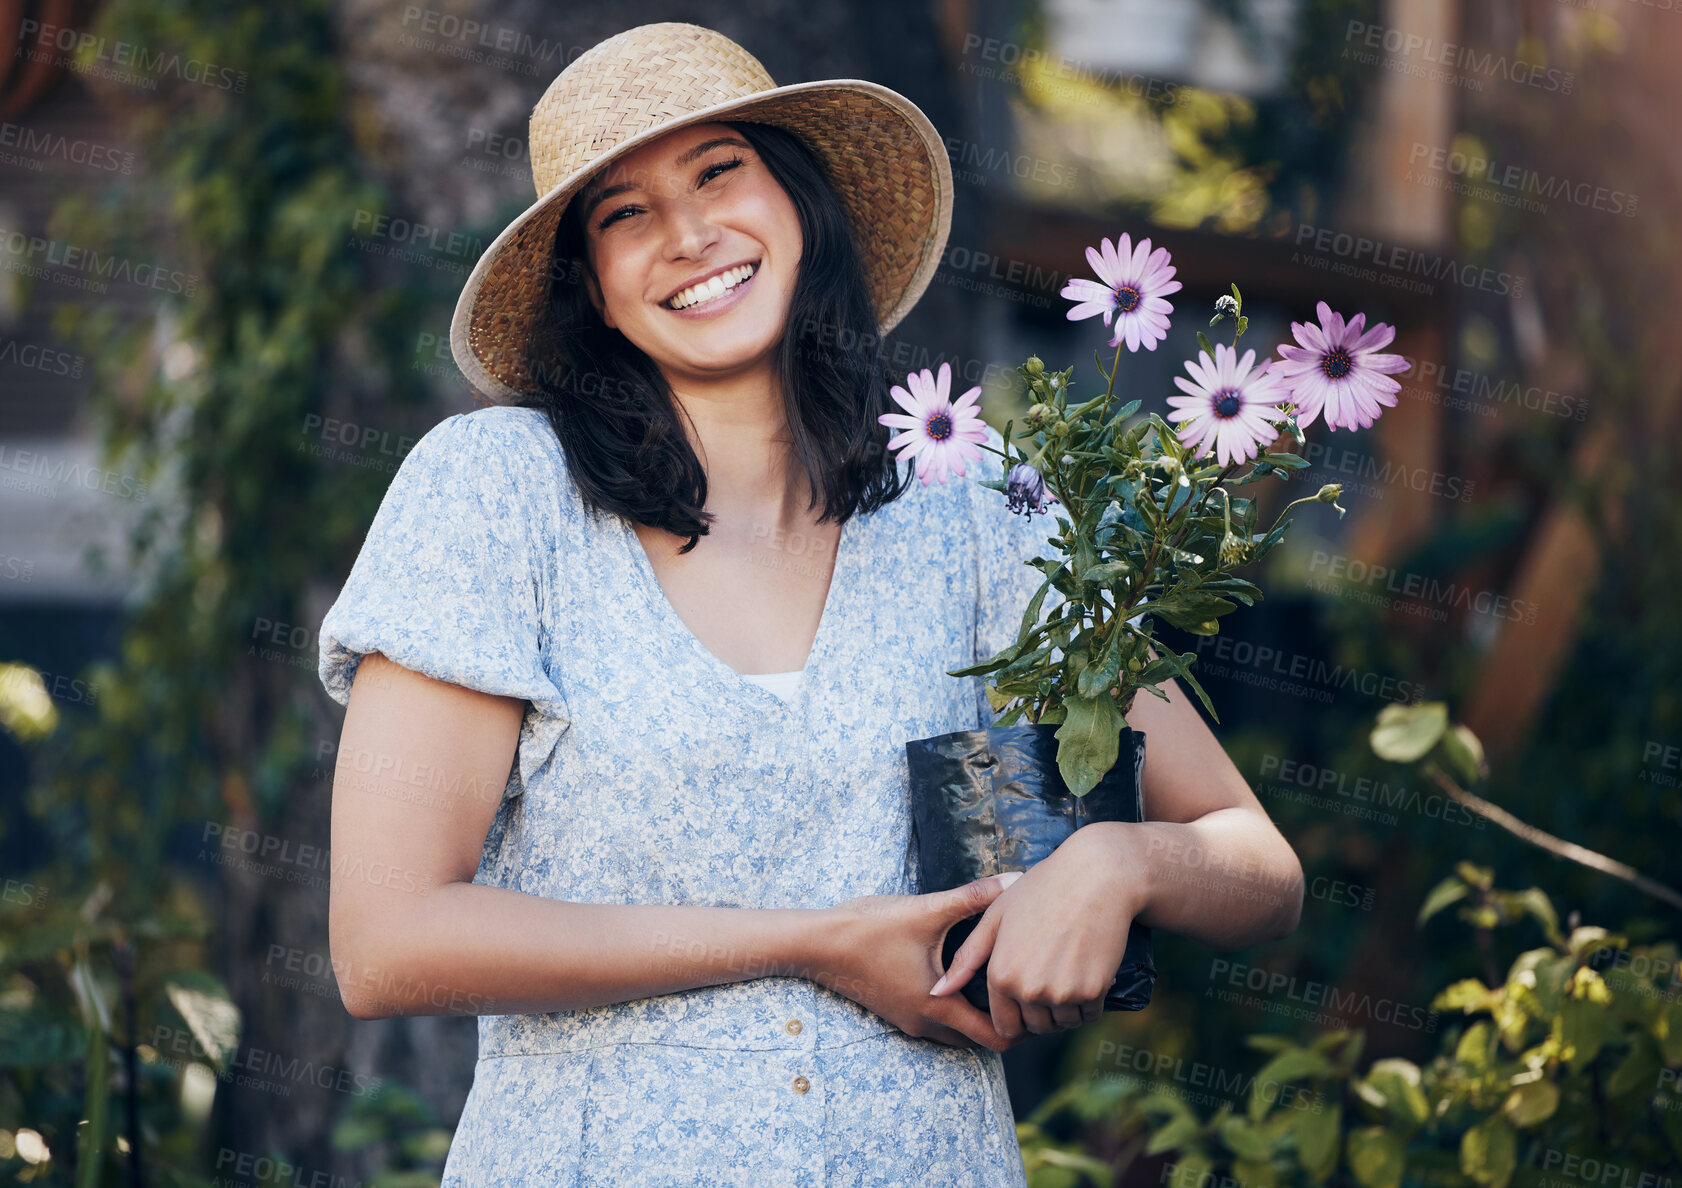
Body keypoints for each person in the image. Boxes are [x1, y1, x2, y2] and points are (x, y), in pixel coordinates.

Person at [317, 22, 1305, 1186]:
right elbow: (386, 944)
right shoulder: (498, 495)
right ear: (590, 286)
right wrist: (815, 945)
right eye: (623, 214)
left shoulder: (976, 509)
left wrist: (1120, 866)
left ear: (800, 203)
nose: (688, 236)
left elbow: (1260, 872)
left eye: (719, 171)